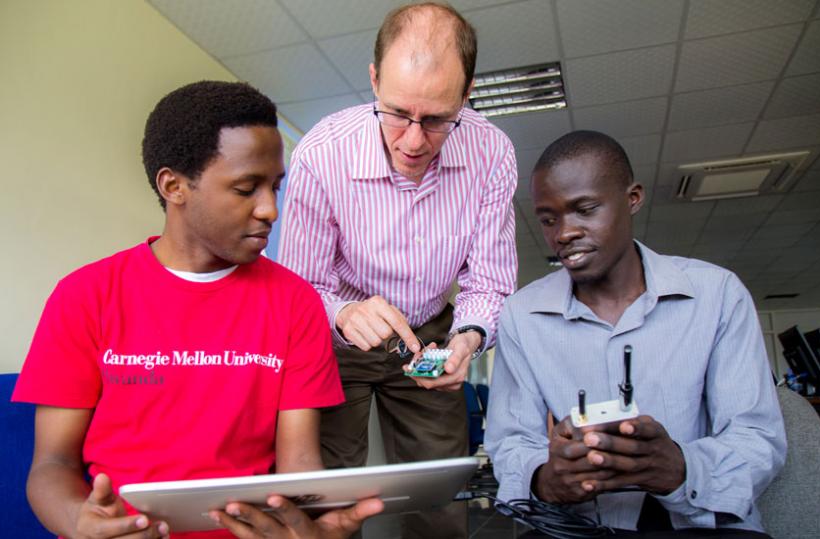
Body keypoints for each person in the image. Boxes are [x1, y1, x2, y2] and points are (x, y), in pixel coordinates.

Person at [12, 81, 382, 539]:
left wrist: (308, 529)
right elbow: (51, 465)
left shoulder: (296, 303)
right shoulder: (85, 296)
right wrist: (78, 523)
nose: (271, 209)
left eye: (275, 187)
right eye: (246, 188)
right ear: (174, 187)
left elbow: (299, 467)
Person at [278, 3, 517, 538]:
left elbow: (490, 282)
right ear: (373, 80)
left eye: (435, 120)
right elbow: (296, 290)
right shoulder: (322, 153)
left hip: (433, 336)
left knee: (438, 497)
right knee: (326, 496)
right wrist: (343, 313)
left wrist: (469, 340)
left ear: (467, 93)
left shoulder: (493, 154)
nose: (413, 141)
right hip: (337, 338)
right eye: (397, 113)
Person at [485, 130, 786, 534]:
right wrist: (544, 479)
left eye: (585, 209)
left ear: (633, 198)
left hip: (699, 523)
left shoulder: (717, 294)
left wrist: (681, 470)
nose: (564, 232)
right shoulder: (522, 314)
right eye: (548, 219)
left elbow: (756, 438)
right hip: (582, 527)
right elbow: (511, 443)